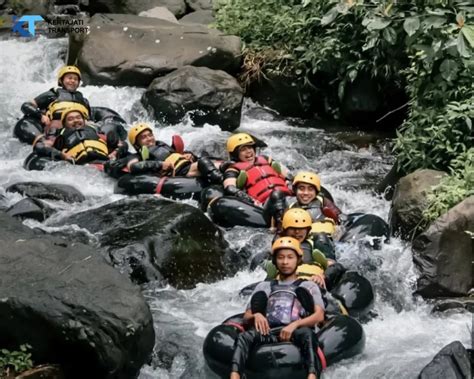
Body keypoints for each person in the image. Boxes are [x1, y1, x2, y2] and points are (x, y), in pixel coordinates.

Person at [230, 237, 325, 379]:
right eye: (280, 258)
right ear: (274, 261)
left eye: (290, 257)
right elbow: (246, 316)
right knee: (244, 337)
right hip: (268, 332)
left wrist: (295, 324)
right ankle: (234, 375)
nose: (285, 262)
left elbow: (319, 316)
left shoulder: (309, 286)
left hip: (296, 332)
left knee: (307, 334)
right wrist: (256, 315)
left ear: (298, 260)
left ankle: (312, 376)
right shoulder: (264, 286)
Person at [223, 132, 292, 226]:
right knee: (276, 194)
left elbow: (288, 176)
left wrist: (292, 184)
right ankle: (282, 226)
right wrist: (248, 199)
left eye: (250, 147)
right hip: (264, 204)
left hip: (287, 197)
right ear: (235, 154)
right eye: (243, 149)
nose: (248, 151)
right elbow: (230, 188)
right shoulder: (233, 169)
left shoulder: (266, 159)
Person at [126, 123, 223, 184]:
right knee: (204, 162)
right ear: (136, 144)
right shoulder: (138, 156)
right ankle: (220, 180)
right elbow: (133, 167)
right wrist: (160, 165)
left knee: (221, 164)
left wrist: (189, 155)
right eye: (143, 137)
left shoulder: (161, 144)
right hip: (179, 172)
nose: (149, 139)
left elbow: (175, 155)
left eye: (150, 135)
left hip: (186, 164)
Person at [264, 208, 335, 287]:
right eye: (293, 228)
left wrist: (322, 276)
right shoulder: (278, 246)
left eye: (301, 228)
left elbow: (335, 266)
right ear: (285, 230)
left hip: (312, 284)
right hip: (284, 287)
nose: (297, 232)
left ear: (308, 230)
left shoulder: (316, 243)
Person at [33, 104, 124, 165]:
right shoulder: (59, 136)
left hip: (102, 161)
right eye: (71, 119)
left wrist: (115, 154)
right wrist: (62, 155)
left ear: (84, 121)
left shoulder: (95, 131)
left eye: (78, 117)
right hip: (77, 165)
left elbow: (122, 144)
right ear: (65, 124)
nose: (76, 120)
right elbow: (40, 146)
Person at [21, 65, 91, 132]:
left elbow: (90, 118)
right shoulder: (52, 94)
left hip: (81, 128)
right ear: (61, 81)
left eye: (75, 79)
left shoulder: (83, 100)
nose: (72, 81)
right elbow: (27, 105)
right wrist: (41, 116)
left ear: (78, 83)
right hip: (57, 129)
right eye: (69, 78)